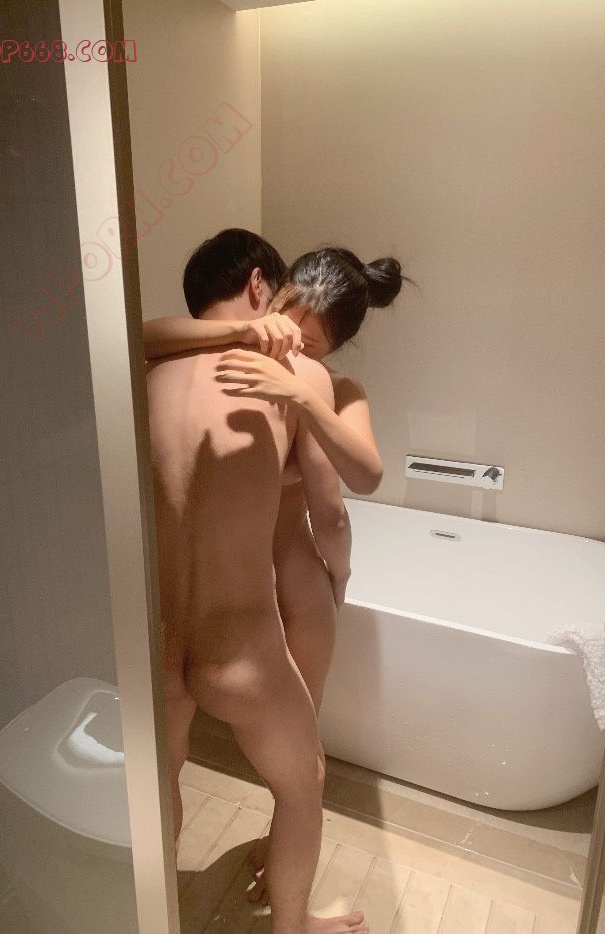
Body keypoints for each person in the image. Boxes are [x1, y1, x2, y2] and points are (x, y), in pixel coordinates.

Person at [145, 232, 408, 905]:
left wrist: (337, 575)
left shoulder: (317, 385)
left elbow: (343, 500)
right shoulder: (264, 363)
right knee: (299, 775)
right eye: (287, 321)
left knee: (205, 780)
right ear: (266, 291)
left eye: (308, 342)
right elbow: (333, 513)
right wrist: (339, 574)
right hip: (247, 620)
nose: (290, 343)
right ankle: (285, 910)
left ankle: (180, 901)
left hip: (210, 613)